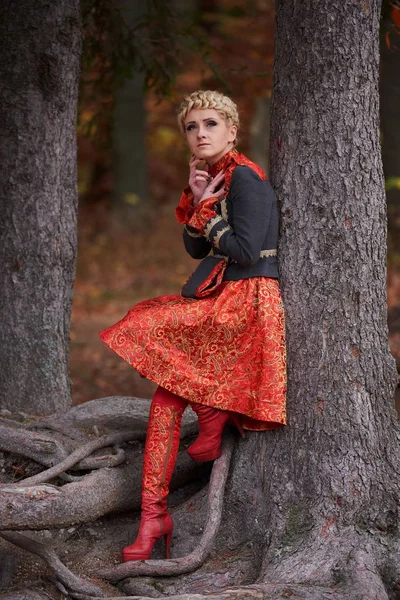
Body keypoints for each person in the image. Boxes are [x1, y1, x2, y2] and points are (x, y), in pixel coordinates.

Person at [99, 90, 286, 563]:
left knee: (146, 323)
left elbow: (242, 250)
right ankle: (152, 518)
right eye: (191, 126)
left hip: (245, 304)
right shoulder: (217, 177)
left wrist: (206, 212)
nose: (200, 133)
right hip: (220, 299)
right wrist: (200, 201)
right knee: (164, 397)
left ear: (232, 130)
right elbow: (197, 250)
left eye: (210, 124)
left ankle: (208, 409)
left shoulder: (246, 178)